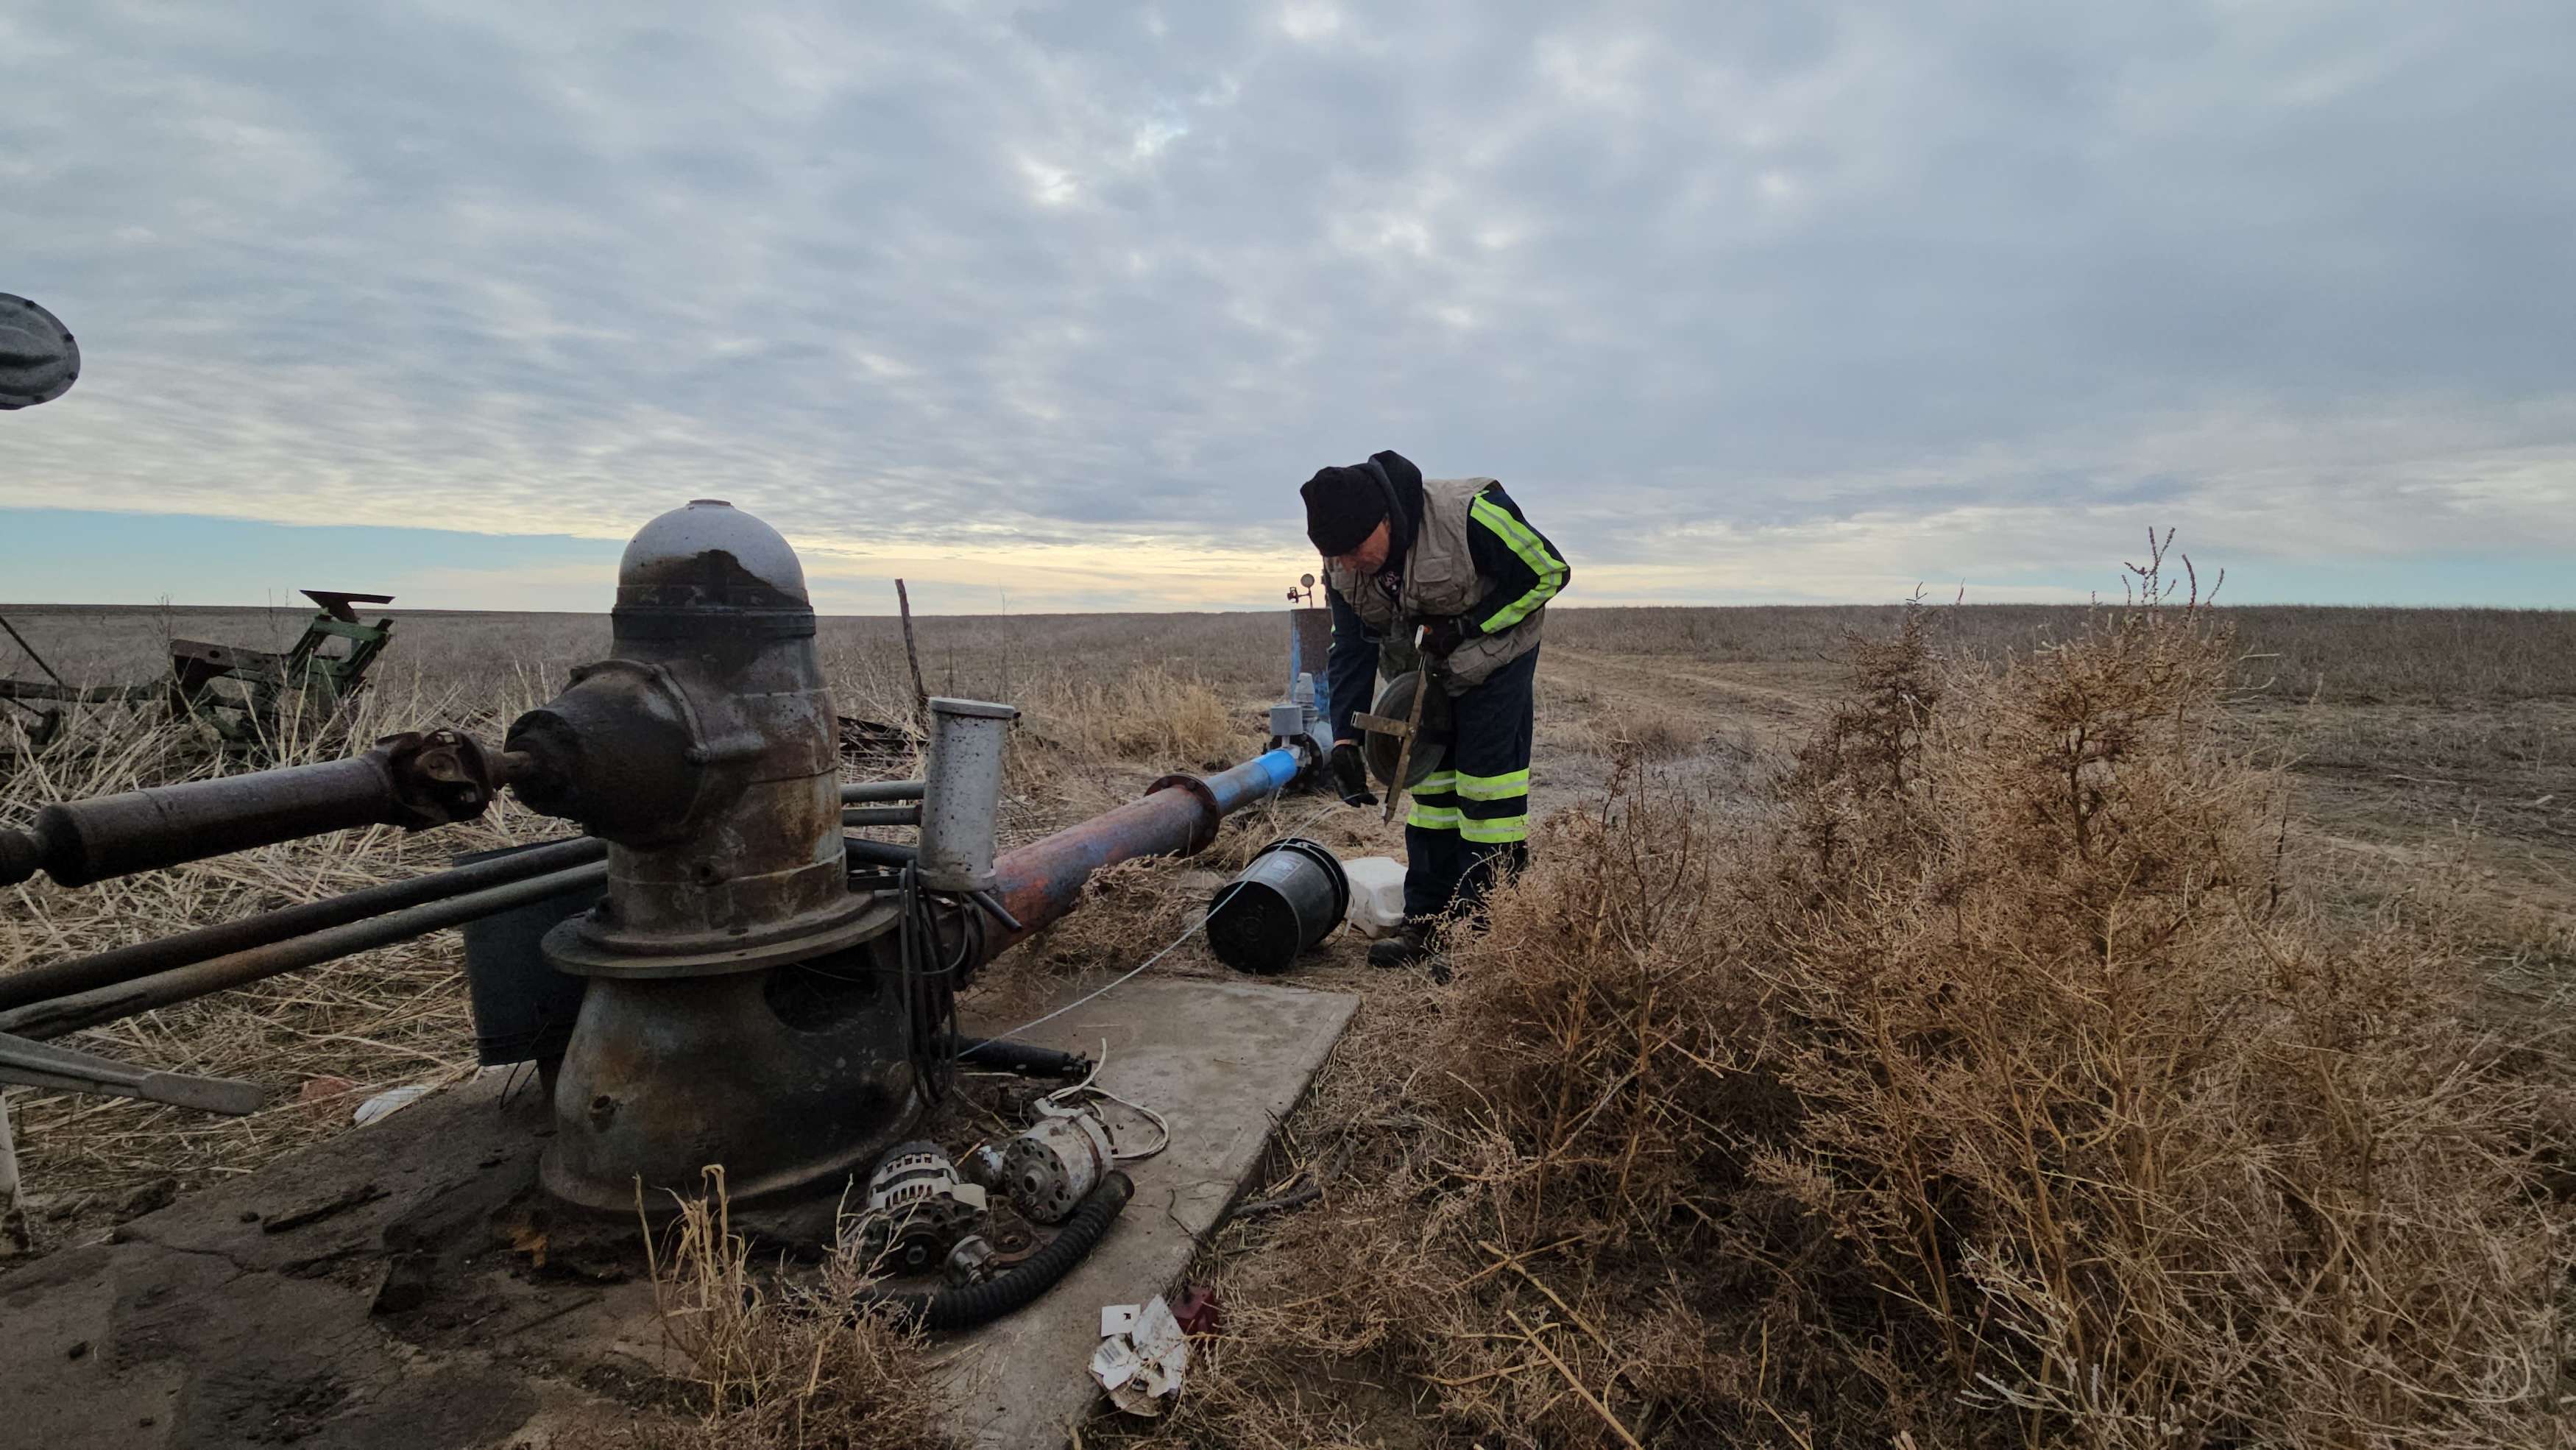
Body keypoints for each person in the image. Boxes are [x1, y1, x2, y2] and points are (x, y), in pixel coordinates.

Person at [1301, 450, 1570, 970]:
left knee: (1487, 799)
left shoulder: (1469, 513)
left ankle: (1482, 938)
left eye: (1356, 550)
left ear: (1385, 519)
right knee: (1432, 794)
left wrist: (1468, 629)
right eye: (1337, 557)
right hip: (1424, 677)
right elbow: (1351, 647)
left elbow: (1548, 572)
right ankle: (1428, 922)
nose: (1348, 564)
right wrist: (1344, 740)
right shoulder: (1341, 566)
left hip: (1495, 666)